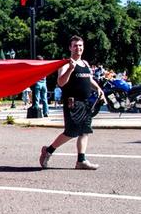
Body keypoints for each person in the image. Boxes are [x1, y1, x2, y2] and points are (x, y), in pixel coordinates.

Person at [39, 36, 106, 170]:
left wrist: (99, 89)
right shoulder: (65, 64)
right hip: (72, 103)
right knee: (71, 132)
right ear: (70, 48)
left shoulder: (85, 64)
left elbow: (89, 80)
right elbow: (61, 82)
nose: (78, 48)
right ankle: (48, 151)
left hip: (86, 103)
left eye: (80, 45)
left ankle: (81, 161)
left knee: (85, 131)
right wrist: (70, 68)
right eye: (75, 45)